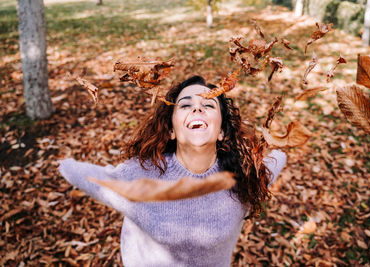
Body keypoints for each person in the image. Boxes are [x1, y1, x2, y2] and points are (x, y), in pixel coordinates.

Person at [58, 75, 286, 266]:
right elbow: (94, 179)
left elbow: (278, 158)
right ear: (171, 131)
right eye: (186, 105)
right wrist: (64, 165)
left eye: (208, 104)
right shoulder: (141, 173)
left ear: (222, 132)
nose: (197, 107)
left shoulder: (245, 175)